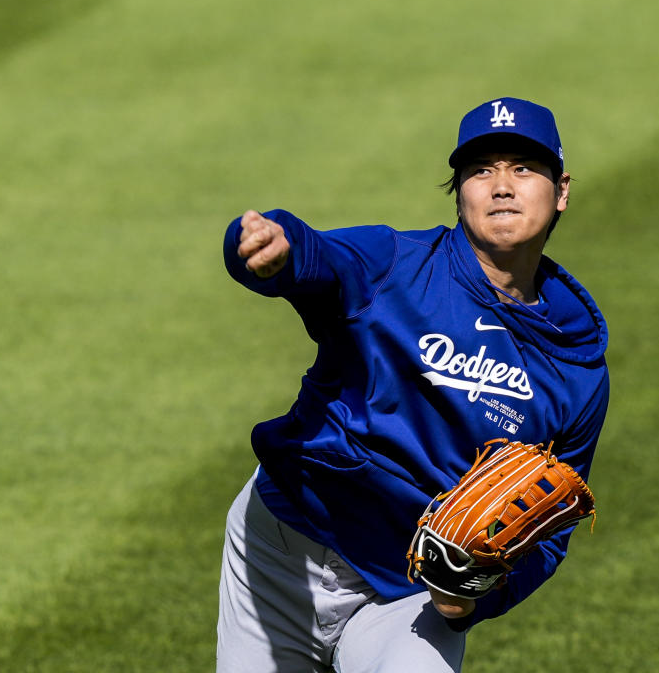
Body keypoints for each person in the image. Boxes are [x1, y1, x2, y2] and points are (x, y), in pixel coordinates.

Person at [216, 96, 610, 672]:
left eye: (523, 168)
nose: (502, 186)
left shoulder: (574, 368)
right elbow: (315, 258)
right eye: (481, 170)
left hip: (408, 595)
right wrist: (266, 249)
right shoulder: (394, 266)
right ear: (459, 191)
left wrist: (470, 598)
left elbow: (549, 536)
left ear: (562, 190)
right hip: (282, 555)